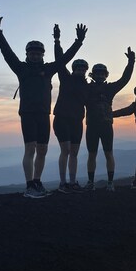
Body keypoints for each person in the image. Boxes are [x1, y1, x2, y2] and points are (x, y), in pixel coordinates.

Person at [0, 10, 87, 198]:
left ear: (42, 55)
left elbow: (64, 59)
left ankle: (37, 182)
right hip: (27, 113)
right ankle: (29, 186)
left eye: (38, 53)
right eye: (32, 53)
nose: (35, 56)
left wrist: (78, 41)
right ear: (27, 54)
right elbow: (6, 52)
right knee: (30, 148)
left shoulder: (48, 69)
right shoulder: (21, 68)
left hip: (44, 115)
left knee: (43, 149)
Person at [84, 48, 135, 192]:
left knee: (108, 153)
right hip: (94, 126)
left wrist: (131, 62)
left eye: (102, 73)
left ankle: (109, 182)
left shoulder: (109, 88)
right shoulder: (87, 88)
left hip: (104, 126)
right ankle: (91, 182)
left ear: (105, 75)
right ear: (93, 75)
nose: (100, 76)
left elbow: (125, 79)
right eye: (98, 73)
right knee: (92, 154)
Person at [53, 24, 89, 194]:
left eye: (83, 69)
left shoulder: (86, 86)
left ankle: (72, 182)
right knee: (65, 151)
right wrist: (57, 41)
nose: (80, 71)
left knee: (74, 152)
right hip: (61, 119)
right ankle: (62, 183)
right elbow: (60, 60)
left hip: (76, 121)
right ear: (73, 69)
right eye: (78, 68)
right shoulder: (65, 78)